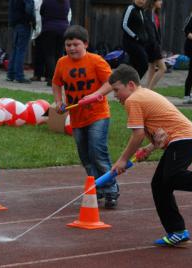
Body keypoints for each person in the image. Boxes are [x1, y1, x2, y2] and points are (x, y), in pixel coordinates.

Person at [106, 64, 192, 246]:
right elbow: (162, 132)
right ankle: (177, 231)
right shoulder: (144, 94)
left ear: (130, 85)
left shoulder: (134, 100)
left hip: (184, 139)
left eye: (116, 90)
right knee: (160, 185)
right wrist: (149, 149)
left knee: (173, 177)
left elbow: (136, 134)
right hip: (181, 139)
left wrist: (122, 160)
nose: (115, 96)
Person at [52, 25, 120, 209]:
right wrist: (58, 102)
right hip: (76, 117)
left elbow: (111, 82)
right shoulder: (61, 63)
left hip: (98, 114)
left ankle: (111, 188)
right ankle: (97, 187)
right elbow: (56, 83)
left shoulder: (96, 61)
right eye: (68, 45)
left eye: (76, 44)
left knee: (98, 152)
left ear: (86, 44)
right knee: (85, 156)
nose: (72, 48)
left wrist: (95, 94)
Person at [40, 0, 71, 87]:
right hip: (63, 29)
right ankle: (60, 78)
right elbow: (67, 12)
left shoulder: (47, 1)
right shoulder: (66, 1)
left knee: (49, 55)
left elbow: (42, 12)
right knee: (59, 54)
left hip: (49, 28)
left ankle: (52, 79)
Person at [7, 0, 36, 83]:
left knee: (15, 49)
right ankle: (19, 76)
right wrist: (33, 20)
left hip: (15, 23)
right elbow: (29, 9)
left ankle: (11, 74)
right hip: (24, 22)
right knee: (21, 50)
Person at [121, 0, 149, 79]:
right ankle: (133, 83)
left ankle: (130, 84)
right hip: (130, 42)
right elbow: (124, 25)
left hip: (140, 43)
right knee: (144, 63)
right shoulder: (130, 8)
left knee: (135, 65)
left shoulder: (141, 11)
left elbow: (142, 27)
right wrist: (135, 36)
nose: (142, 1)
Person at [144, 0, 166, 90]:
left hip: (155, 44)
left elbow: (157, 31)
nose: (161, 2)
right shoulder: (148, 13)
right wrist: (155, 44)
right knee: (163, 68)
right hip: (152, 45)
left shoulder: (155, 14)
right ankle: (149, 90)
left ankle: (147, 90)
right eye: (160, 0)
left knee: (152, 68)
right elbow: (149, 31)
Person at [30, 0, 46, 82]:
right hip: (38, 30)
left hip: (47, 28)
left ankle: (47, 75)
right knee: (38, 53)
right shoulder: (36, 1)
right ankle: (38, 74)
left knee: (48, 53)